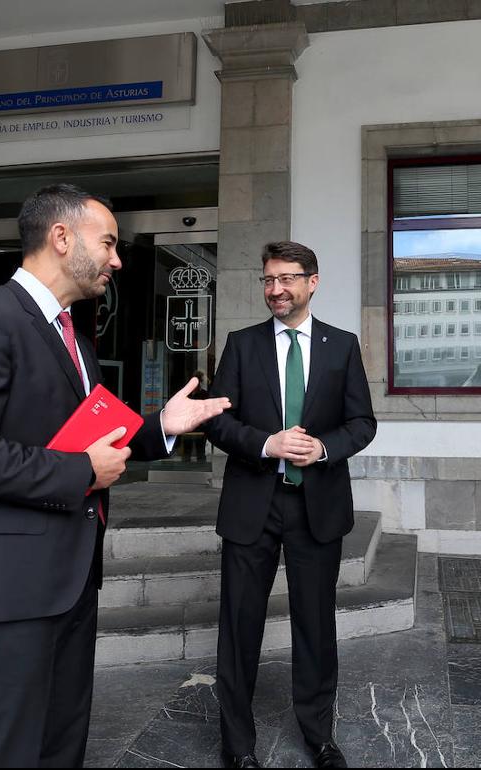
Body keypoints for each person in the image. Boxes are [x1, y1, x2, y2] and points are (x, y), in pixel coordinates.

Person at [0, 184, 229, 768]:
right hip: (4, 589)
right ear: (61, 238)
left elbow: (89, 434)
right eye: (108, 242)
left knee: (62, 746)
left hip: (70, 579)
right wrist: (80, 471)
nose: (117, 259)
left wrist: (162, 424)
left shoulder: (75, 338)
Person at [205, 241, 376, 769]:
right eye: (267, 280)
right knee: (239, 627)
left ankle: (319, 736)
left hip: (315, 506)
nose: (275, 289)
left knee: (315, 626)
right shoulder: (241, 344)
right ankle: (238, 745)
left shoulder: (342, 346)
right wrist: (265, 443)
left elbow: (362, 423)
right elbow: (216, 420)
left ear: (312, 282)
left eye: (286, 279)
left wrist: (324, 448)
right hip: (252, 504)